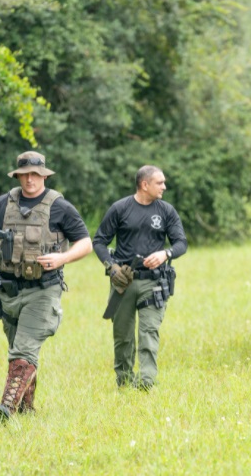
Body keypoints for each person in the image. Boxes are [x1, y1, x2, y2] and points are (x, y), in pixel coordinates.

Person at [0, 151, 92, 421]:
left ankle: (5, 409)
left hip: (44, 290)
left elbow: (85, 243)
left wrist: (62, 258)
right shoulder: (2, 205)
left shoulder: (59, 207)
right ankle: (27, 409)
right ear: (17, 176)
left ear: (44, 175)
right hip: (8, 290)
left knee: (24, 349)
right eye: (24, 174)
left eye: (35, 174)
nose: (30, 179)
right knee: (18, 349)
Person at [92, 165, 187, 390]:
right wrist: (111, 266)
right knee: (123, 337)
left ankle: (146, 383)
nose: (164, 186)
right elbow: (99, 242)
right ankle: (124, 382)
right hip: (123, 282)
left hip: (154, 282)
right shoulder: (120, 209)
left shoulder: (166, 211)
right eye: (159, 182)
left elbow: (181, 243)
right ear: (145, 185)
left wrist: (166, 253)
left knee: (149, 332)